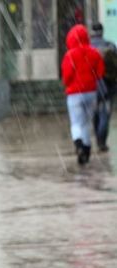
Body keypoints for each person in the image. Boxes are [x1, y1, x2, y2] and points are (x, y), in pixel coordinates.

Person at [61, 24, 104, 165]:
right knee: (86, 122)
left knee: (76, 122)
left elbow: (67, 76)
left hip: (74, 93)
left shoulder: (70, 55)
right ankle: (86, 149)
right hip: (91, 92)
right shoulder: (94, 53)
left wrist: (69, 84)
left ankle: (78, 144)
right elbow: (100, 73)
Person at [90, 22, 117, 151]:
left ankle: (98, 135)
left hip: (92, 85)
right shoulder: (110, 46)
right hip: (109, 85)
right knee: (105, 114)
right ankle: (102, 140)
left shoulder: (88, 47)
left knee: (95, 113)